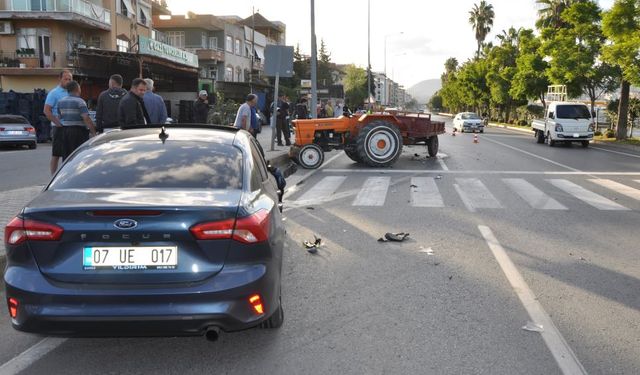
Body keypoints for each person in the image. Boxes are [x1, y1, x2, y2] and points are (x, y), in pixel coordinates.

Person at [56, 80, 96, 159]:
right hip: (78, 132)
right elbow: (86, 118)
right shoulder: (80, 102)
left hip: (65, 131)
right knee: (79, 156)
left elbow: (59, 117)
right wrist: (93, 133)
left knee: (67, 157)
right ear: (77, 89)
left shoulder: (60, 102)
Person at [44, 69, 72, 174]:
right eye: (66, 79)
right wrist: (58, 123)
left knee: (69, 155)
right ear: (60, 79)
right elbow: (46, 111)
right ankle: (53, 178)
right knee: (56, 154)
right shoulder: (54, 93)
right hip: (59, 128)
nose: (68, 81)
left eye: (70, 79)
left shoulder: (72, 92)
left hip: (70, 127)